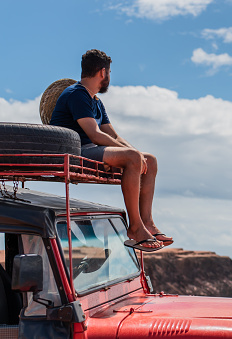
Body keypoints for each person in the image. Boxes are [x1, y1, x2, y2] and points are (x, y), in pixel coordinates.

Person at [50, 49, 173, 251]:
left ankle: (147, 223)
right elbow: (95, 134)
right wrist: (133, 156)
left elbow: (114, 136)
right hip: (74, 151)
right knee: (134, 158)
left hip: (91, 148)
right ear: (102, 72)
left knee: (150, 160)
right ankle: (135, 227)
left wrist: (139, 155)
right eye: (109, 73)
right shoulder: (77, 94)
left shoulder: (95, 101)